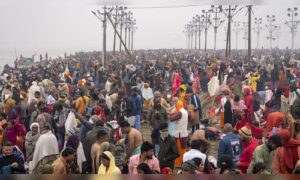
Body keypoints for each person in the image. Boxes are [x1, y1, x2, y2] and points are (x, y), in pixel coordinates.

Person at [169, 101, 188, 168]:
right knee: (183, 148)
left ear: (177, 106)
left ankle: (178, 163)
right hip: (184, 133)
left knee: (178, 149)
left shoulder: (180, 112)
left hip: (179, 133)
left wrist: (170, 114)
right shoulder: (185, 111)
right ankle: (183, 162)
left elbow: (172, 119)